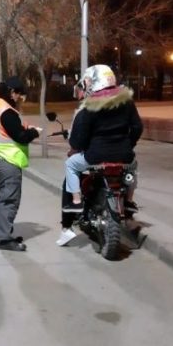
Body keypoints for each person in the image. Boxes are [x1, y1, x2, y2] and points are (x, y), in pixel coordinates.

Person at [58, 64, 143, 244]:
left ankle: (71, 214)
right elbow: (137, 127)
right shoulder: (127, 101)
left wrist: (78, 146)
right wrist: (128, 144)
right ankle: (128, 203)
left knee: (71, 166)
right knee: (131, 169)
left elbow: (77, 141)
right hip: (124, 155)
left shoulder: (89, 107)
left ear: (93, 83)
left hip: (95, 156)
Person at [0, 77, 41, 251]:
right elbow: (20, 136)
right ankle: (5, 239)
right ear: (12, 93)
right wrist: (33, 133)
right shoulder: (7, 112)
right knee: (9, 199)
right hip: (7, 160)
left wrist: (25, 128)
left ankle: (2, 229)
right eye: (19, 94)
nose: (20, 98)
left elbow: (8, 130)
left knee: (2, 196)